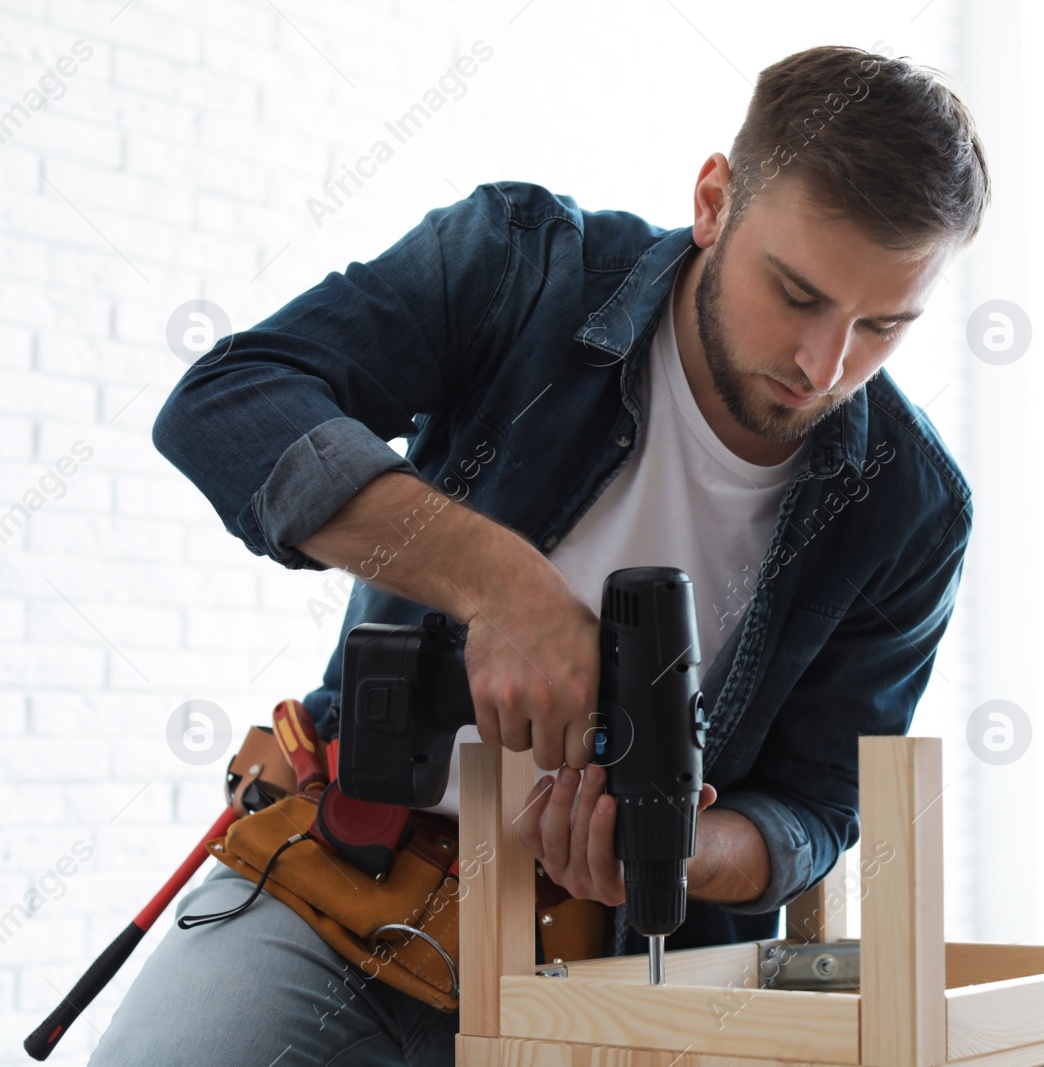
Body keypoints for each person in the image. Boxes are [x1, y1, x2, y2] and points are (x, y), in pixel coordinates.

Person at [88, 43, 988, 1066]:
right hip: (345, 885)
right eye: (795, 293)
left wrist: (682, 848)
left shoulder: (910, 510)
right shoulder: (520, 266)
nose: (821, 365)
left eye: (882, 325)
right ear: (713, 201)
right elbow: (228, 404)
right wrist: (499, 582)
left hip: (632, 970)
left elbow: (817, 807)